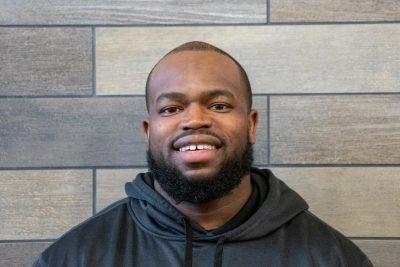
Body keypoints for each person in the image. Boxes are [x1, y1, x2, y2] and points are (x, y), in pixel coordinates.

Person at [33, 41, 372, 267]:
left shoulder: (331, 257)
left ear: (251, 124)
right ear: (149, 132)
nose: (195, 119)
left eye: (219, 105)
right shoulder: (75, 256)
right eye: (171, 109)